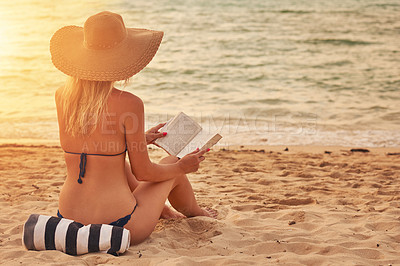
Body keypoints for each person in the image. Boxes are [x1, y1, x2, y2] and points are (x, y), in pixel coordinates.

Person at [50, 11, 216, 245]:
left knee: (114, 162)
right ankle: (195, 211)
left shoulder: (62, 97)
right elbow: (145, 172)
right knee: (170, 164)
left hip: (68, 218)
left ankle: (164, 210)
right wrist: (182, 166)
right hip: (120, 223)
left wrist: (138, 139)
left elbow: (90, 145)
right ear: (120, 59)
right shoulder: (129, 103)